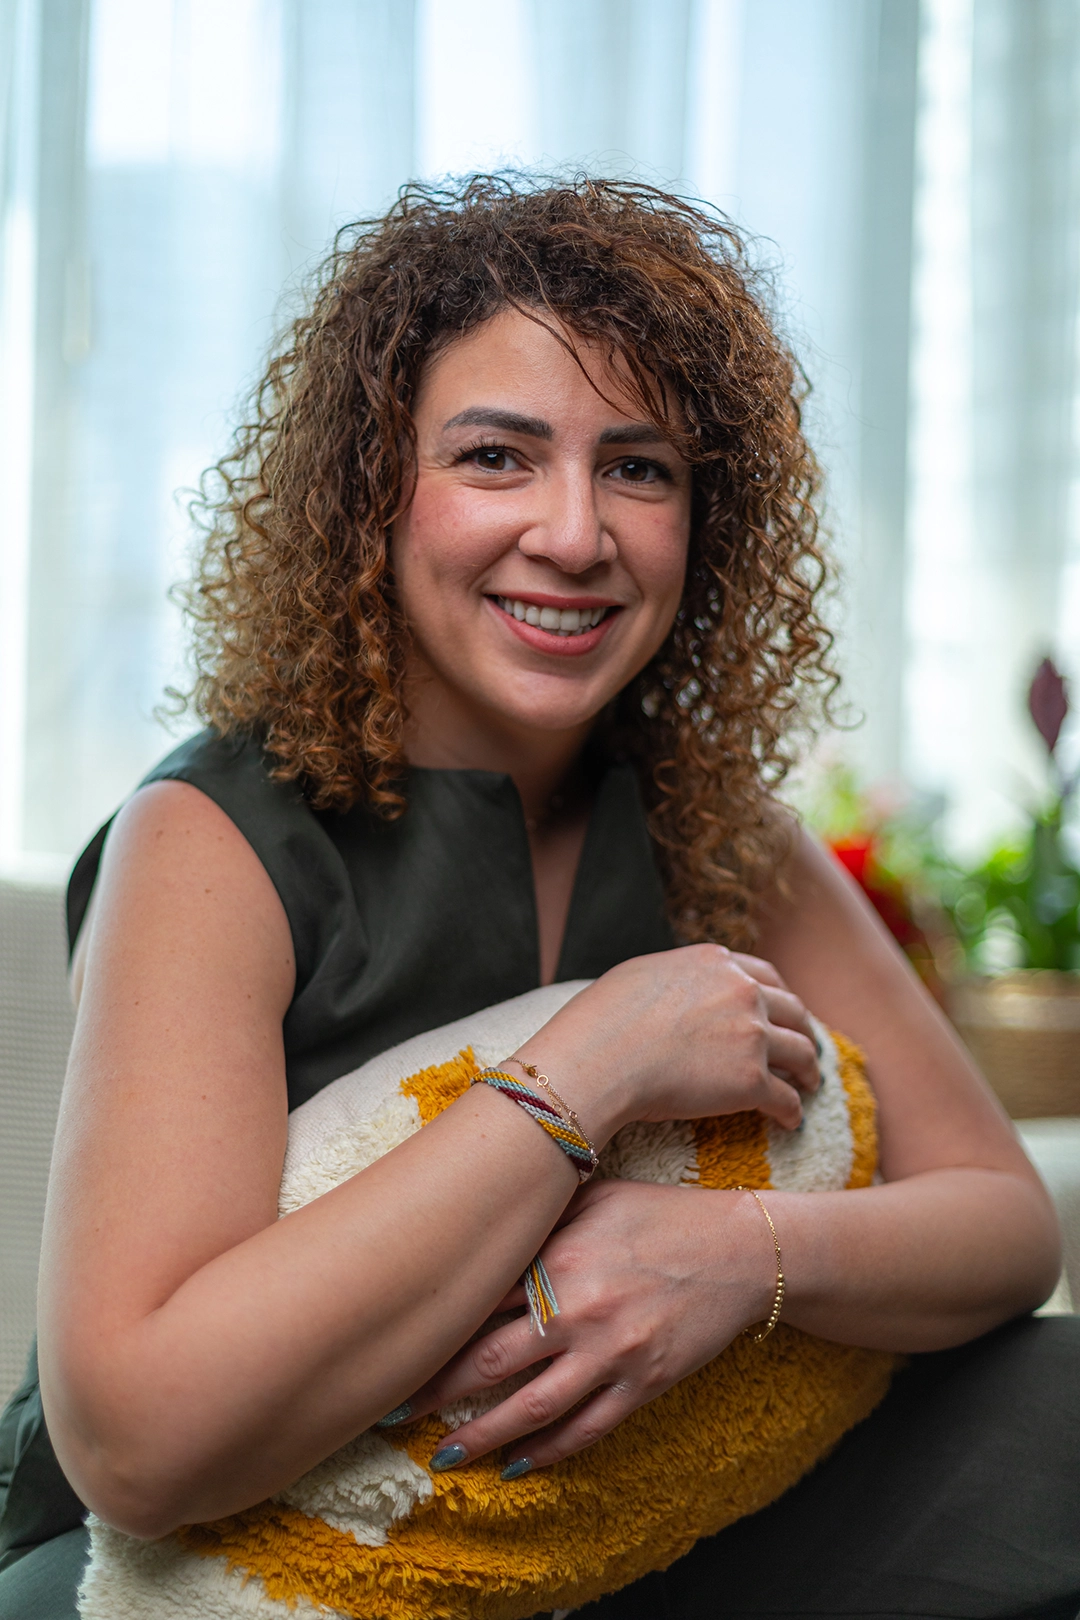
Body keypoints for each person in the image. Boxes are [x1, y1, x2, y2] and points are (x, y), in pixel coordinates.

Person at [0, 175, 1075, 1620]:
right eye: (496, 457)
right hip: (236, 1563)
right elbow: (138, 1445)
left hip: (607, 1513)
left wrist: (731, 1256)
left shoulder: (711, 824)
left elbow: (1005, 1227)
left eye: (639, 469)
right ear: (368, 495)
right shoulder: (209, 839)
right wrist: (594, 1065)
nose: (575, 535)